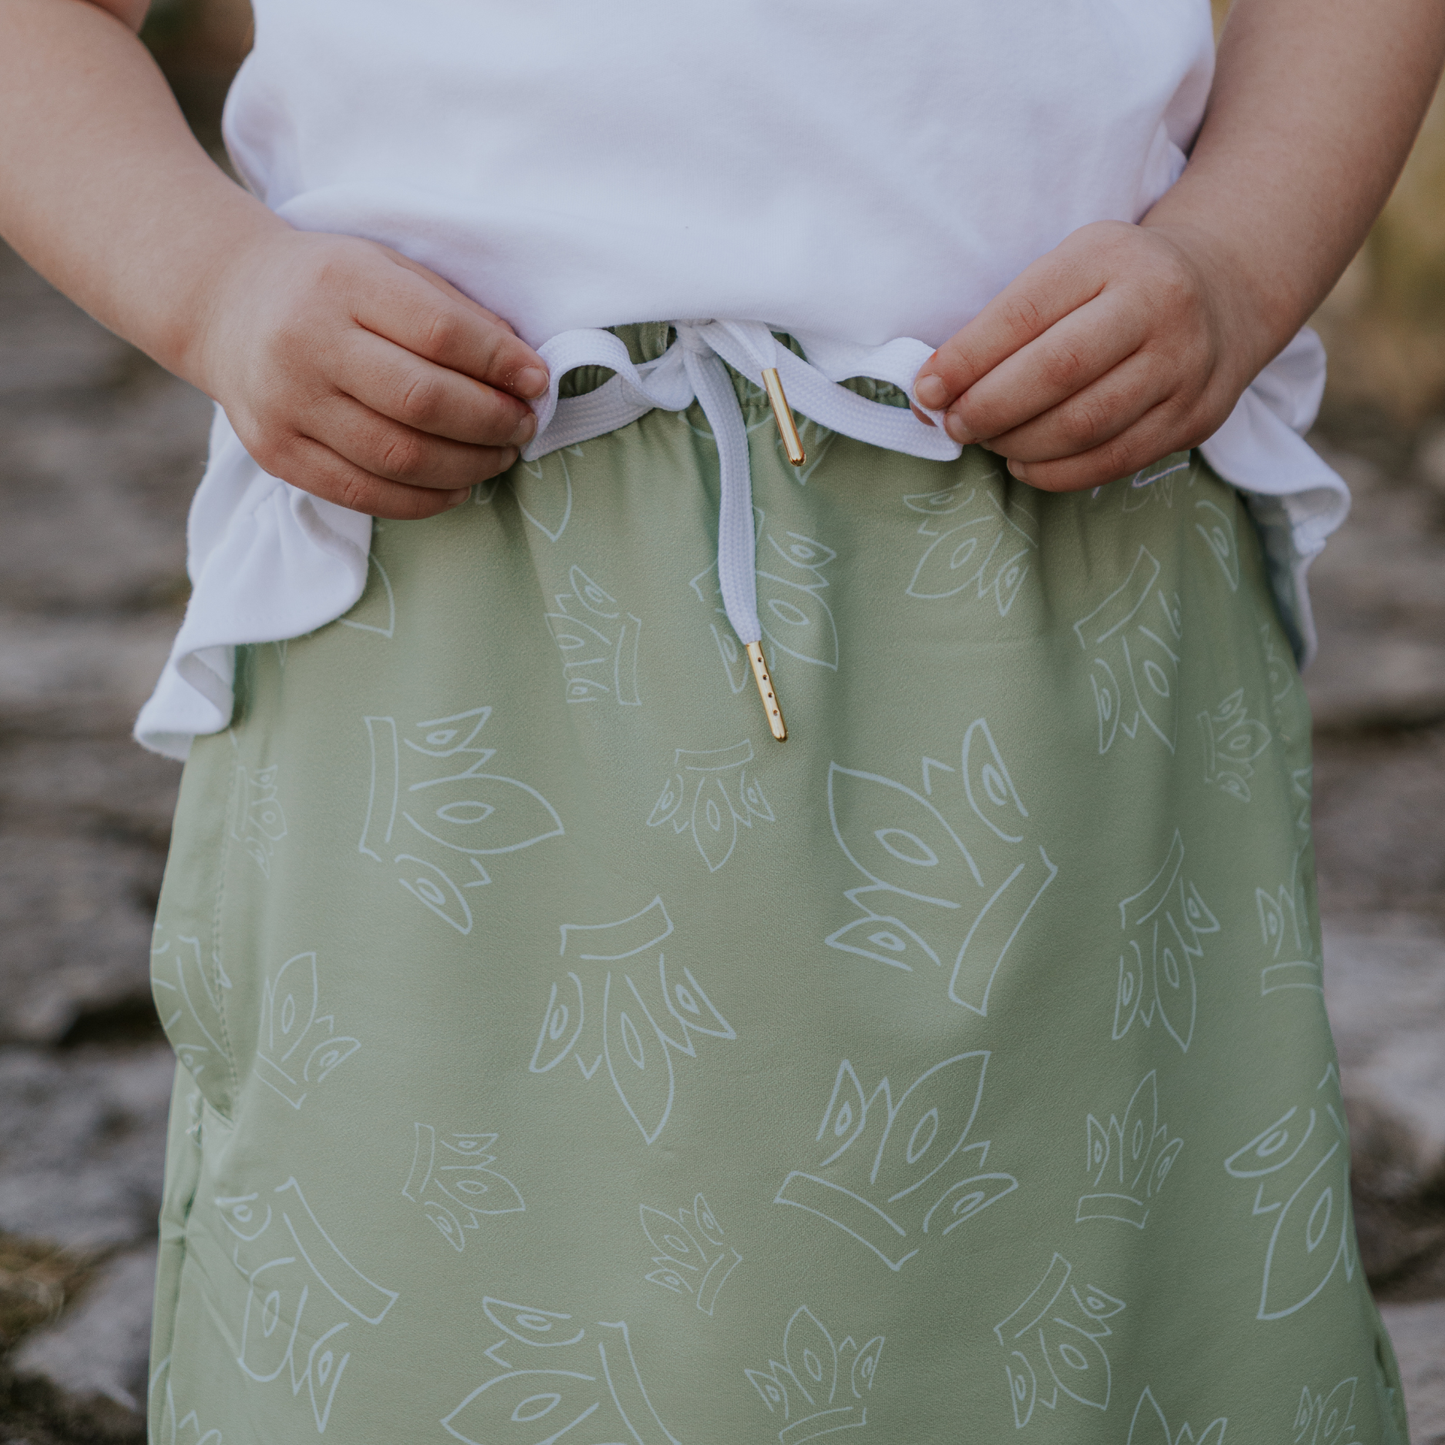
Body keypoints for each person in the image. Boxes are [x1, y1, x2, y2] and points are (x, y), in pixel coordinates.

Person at [2, 0, 1442, 1440]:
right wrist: (221, 288)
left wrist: (1238, 259)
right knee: (431, 1302)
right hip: (452, 604)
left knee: (1082, 1306)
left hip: (1060, 573)